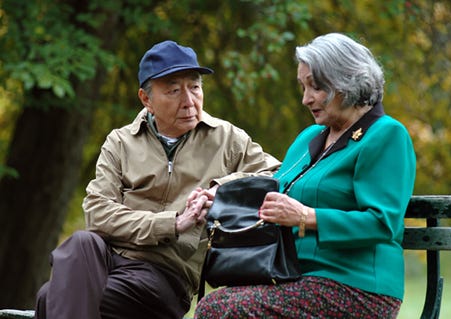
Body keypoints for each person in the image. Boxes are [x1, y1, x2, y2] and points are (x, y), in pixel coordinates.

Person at [34, 40, 280, 319]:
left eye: (195, 87)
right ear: (146, 99)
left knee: (49, 297)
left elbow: (275, 176)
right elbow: (97, 213)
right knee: (81, 241)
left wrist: (219, 189)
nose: (189, 101)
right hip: (106, 259)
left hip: (164, 275)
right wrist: (172, 223)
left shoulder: (227, 139)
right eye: (174, 90)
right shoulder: (120, 142)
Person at [195, 33, 416, 318]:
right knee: (216, 303)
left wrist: (306, 217)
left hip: (358, 286)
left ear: (346, 80)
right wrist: (223, 200)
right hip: (295, 276)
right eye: (303, 87)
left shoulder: (386, 135)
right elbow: (279, 192)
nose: (305, 98)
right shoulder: (309, 137)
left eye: (315, 87)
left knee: (219, 310)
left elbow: (382, 222)